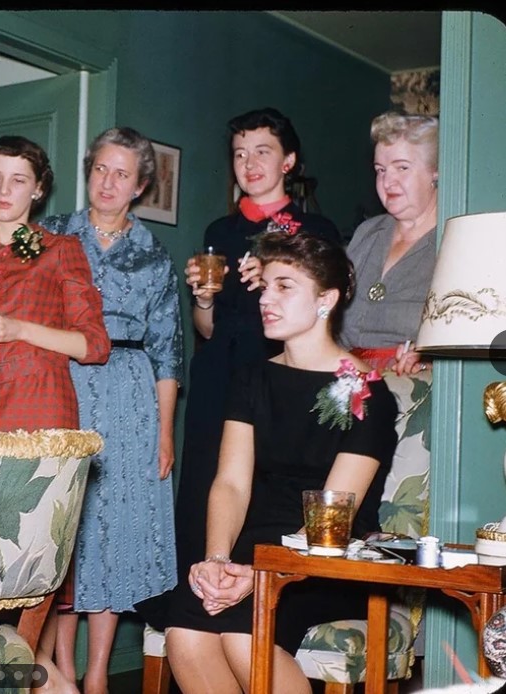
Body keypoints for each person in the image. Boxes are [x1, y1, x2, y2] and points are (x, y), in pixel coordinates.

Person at [140, 230, 398, 694]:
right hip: (252, 548)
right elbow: (231, 484)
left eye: (284, 286)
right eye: (264, 286)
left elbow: (332, 514)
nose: (266, 299)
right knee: (186, 632)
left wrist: (261, 577)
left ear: (327, 299)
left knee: (244, 636)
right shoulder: (252, 377)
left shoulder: (368, 393)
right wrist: (216, 559)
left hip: (326, 557)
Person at [0, 134, 110, 693]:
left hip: (42, 414)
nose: (4, 191)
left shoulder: (58, 251)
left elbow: (94, 345)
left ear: (37, 189)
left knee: (34, 566)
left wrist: (19, 330)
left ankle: (24, 674)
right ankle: (26, 680)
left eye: (18, 180)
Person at [165, 107, 343, 598]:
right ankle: (199, 599)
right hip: (219, 375)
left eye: (262, 151)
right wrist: (203, 299)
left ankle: (259, 598)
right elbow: (208, 327)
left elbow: (327, 311)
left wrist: (271, 277)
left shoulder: (315, 230)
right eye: (240, 153)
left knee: (263, 486)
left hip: (276, 376)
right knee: (206, 484)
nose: (249, 163)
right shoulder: (218, 232)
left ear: (288, 161)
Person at [36, 127, 184, 694]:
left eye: (122, 173)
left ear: (140, 184)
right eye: (100, 169)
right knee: (64, 530)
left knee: (112, 533)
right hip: (61, 383)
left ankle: (97, 673)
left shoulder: (152, 255)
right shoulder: (51, 233)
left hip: (128, 394)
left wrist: (164, 435)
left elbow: (169, 354)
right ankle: (62, 672)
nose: (108, 182)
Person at [341, 112, 439, 375]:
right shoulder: (367, 233)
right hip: (345, 383)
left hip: (415, 390)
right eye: (380, 170)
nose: (387, 181)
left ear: (436, 172)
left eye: (402, 167)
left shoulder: (452, 242)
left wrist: (433, 360)